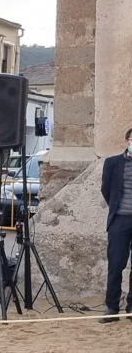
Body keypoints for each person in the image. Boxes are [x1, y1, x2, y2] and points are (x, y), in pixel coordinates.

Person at [100, 127, 132, 323]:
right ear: (127, 140)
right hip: (120, 220)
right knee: (116, 265)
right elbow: (106, 189)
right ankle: (112, 308)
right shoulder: (113, 163)